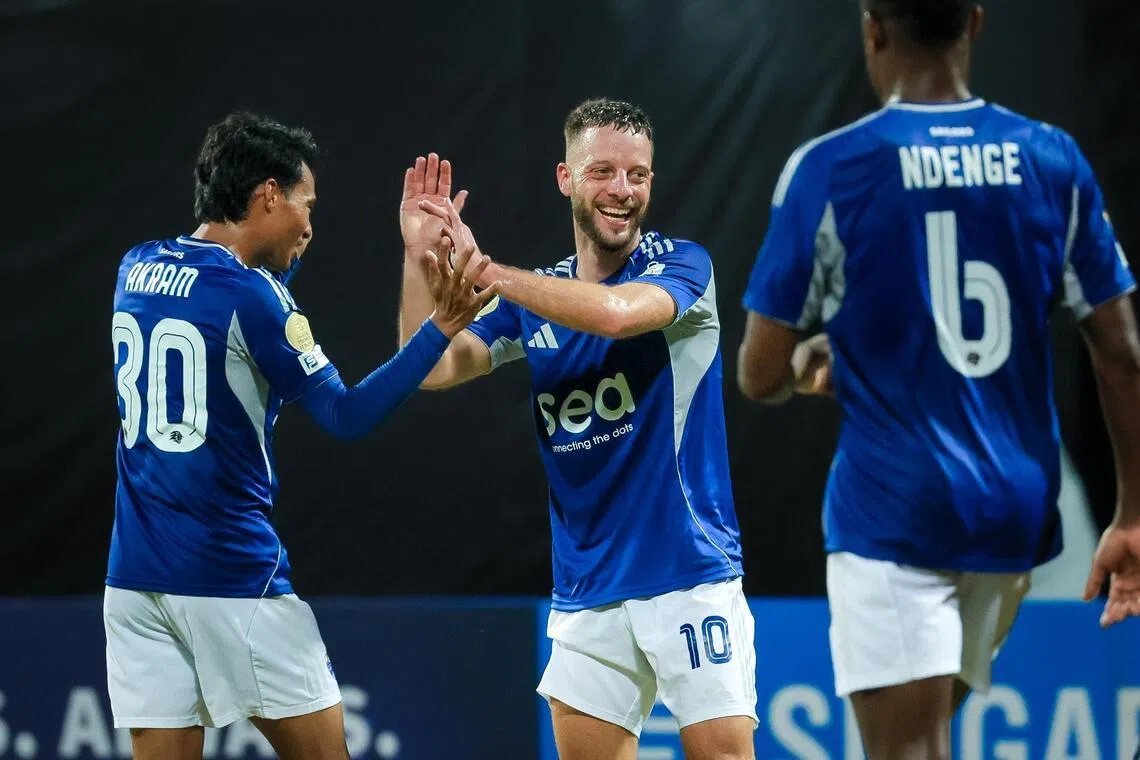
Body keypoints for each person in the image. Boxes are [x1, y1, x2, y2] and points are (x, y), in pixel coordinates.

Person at [736, 1, 1140, 759]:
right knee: (921, 737)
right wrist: (1134, 513)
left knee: (907, 750)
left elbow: (758, 373)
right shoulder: (1052, 159)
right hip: (1014, 517)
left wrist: (804, 367)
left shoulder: (831, 167)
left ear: (873, 27)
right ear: (976, 23)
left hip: (897, 513)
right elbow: (1121, 352)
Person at [106, 111, 495, 760]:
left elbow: (224, 322)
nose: (311, 225)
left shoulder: (136, 267)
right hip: (230, 575)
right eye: (304, 204)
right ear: (266, 193)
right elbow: (346, 416)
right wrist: (442, 326)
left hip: (133, 582)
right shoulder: (253, 297)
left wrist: (280, 270)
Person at [397, 99, 757, 759]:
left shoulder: (682, 267)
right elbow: (436, 366)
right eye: (604, 172)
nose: (623, 191)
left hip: (688, 573)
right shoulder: (538, 296)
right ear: (566, 178)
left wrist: (485, 273)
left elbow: (618, 315)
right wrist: (421, 259)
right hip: (587, 591)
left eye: (638, 175)